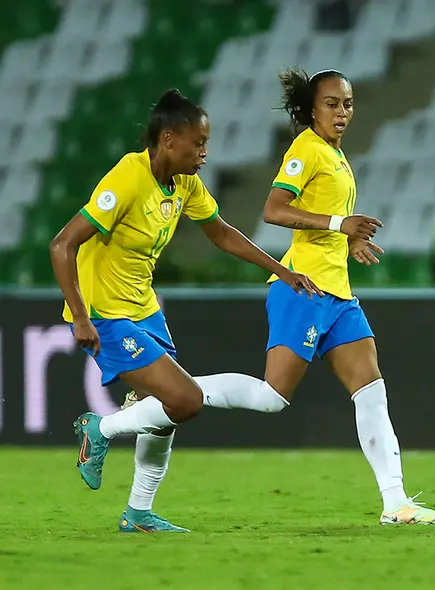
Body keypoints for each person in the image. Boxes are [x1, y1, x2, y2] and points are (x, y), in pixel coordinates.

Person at [181, 67, 435, 526]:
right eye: (331, 103)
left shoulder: (335, 155)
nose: (342, 111)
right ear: (310, 108)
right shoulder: (306, 149)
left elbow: (327, 221)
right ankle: (173, 391)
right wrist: (338, 224)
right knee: (271, 397)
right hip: (302, 287)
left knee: (372, 389)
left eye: (347, 103)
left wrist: (349, 240)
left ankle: (396, 503)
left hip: (338, 293)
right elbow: (274, 210)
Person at [51, 89, 321, 532]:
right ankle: (99, 430)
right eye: (198, 143)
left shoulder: (185, 184)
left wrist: (281, 269)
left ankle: (138, 513)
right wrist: (80, 316)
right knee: (184, 399)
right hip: (106, 314)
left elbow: (222, 234)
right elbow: (62, 244)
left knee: (163, 411)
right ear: (169, 140)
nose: (204, 153)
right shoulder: (127, 179)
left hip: (143, 307)